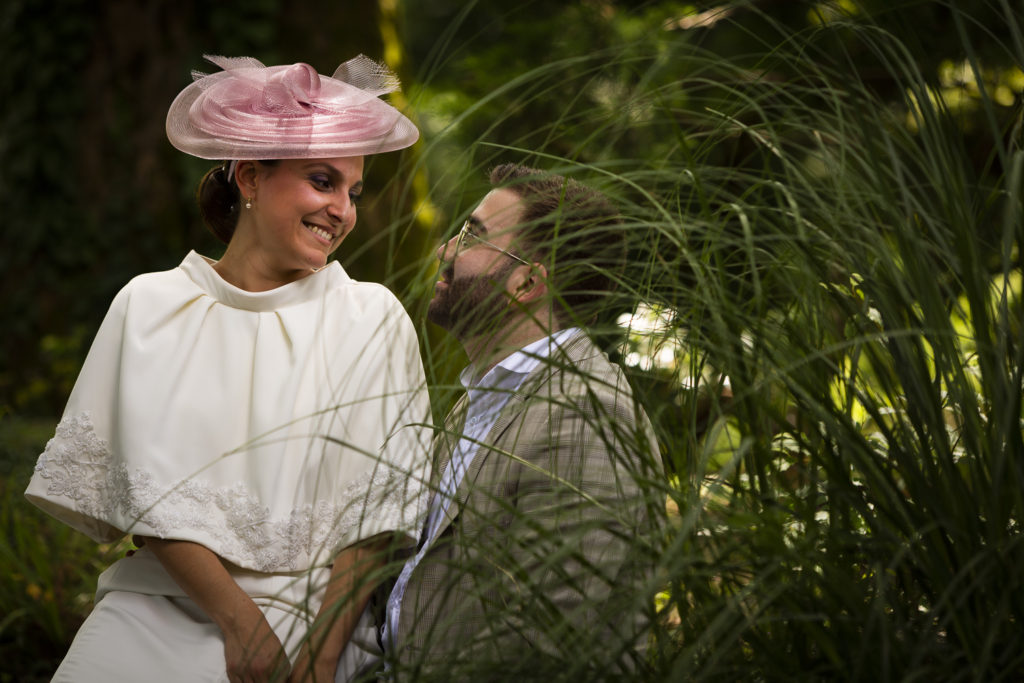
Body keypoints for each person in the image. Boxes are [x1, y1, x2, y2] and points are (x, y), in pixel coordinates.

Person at [25, 55, 432, 683]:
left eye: (353, 191)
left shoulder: (371, 316)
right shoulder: (150, 305)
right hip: (153, 607)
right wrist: (239, 623)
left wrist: (320, 659)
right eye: (322, 181)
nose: (342, 211)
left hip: (320, 618)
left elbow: (379, 509)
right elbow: (142, 489)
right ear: (248, 176)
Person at [370, 163, 660, 679]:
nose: (443, 252)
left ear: (527, 282)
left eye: (471, 236)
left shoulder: (587, 412)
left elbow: (551, 635)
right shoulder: (482, 400)